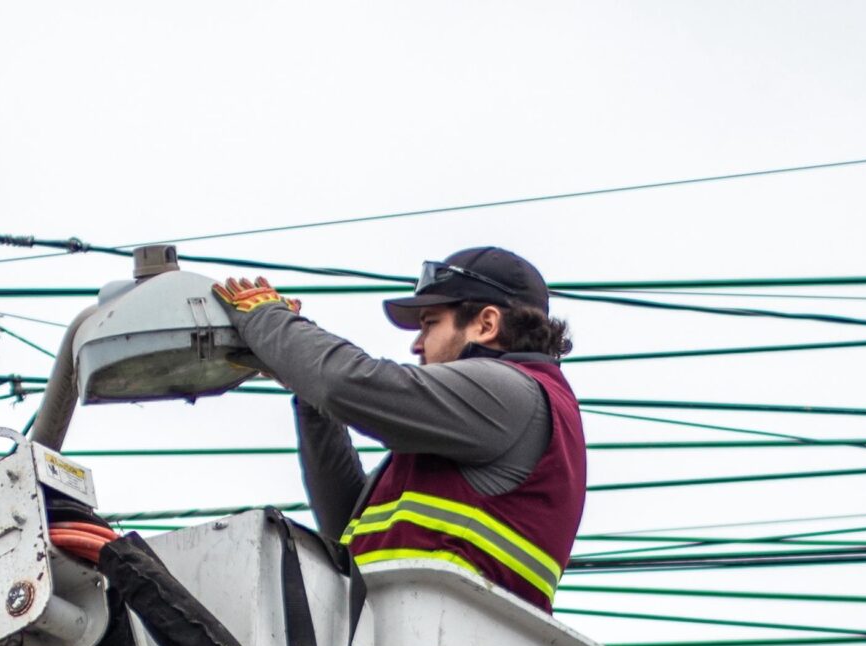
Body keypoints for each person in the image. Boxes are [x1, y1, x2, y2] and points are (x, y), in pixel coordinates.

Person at [213, 246, 586, 612]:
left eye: (430, 324)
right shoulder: (468, 431)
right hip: (413, 636)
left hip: (446, 636)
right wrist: (307, 388)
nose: (417, 344)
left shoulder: (510, 394)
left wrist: (267, 320)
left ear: (486, 325)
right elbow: (347, 526)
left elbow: (344, 385)